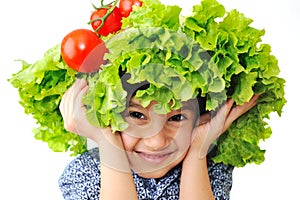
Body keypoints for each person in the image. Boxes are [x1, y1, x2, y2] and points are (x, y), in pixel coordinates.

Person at [58, 75, 258, 199]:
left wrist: (198, 146)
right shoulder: (85, 172)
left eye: (177, 118)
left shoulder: (211, 169)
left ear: (200, 119)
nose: (156, 142)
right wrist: (105, 139)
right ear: (108, 116)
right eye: (137, 115)